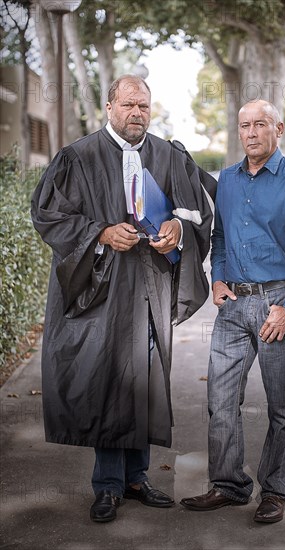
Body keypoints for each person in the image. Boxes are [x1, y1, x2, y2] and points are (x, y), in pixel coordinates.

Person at [31, 75, 216, 523]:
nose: (137, 113)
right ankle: (108, 485)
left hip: (151, 282)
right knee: (108, 379)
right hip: (102, 285)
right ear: (110, 106)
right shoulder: (78, 157)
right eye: (129, 104)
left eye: (144, 106)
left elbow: (197, 211)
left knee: (146, 379)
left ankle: (138, 477)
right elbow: (48, 214)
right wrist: (100, 232)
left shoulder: (168, 155)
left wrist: (179, 231)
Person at [180, 100, 285, 523]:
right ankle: (228, 485)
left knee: (280, 406)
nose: (250, 132)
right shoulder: (226, 179)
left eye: (259, 124)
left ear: (278, 129)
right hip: (233, 306)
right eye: (244, 125)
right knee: (221, 399)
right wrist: (219, 277)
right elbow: (221, 235)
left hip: (277, 303)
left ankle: (276, 491)